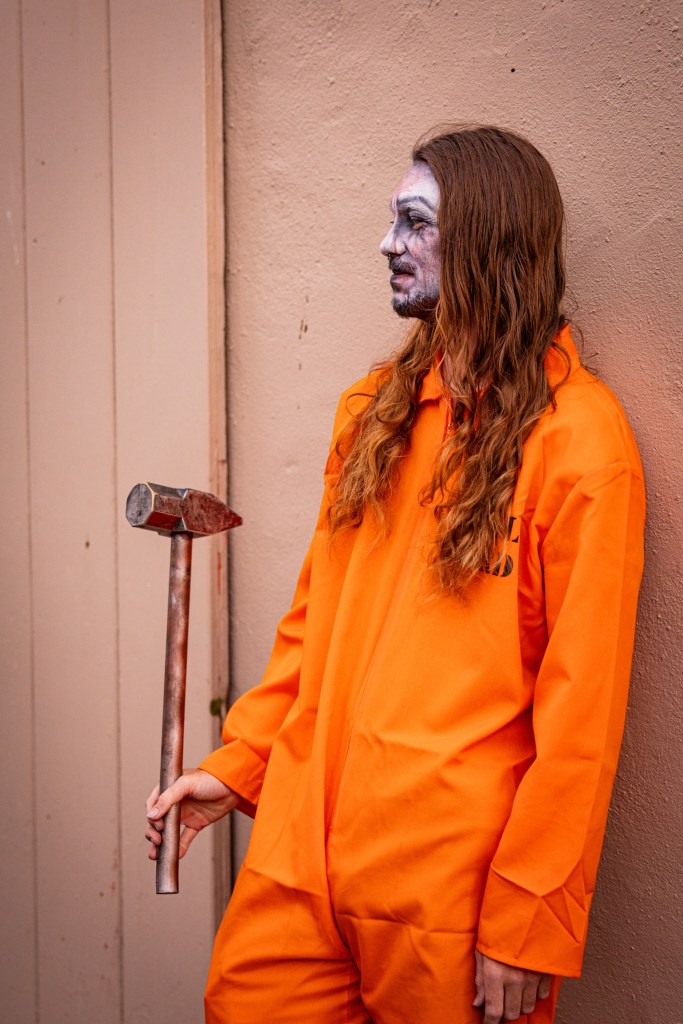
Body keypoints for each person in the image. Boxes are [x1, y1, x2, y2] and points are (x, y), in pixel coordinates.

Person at [145, 125, 645, 1024]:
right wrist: (241, 765)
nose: (387, 243)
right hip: (301, 854)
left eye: (414, 223)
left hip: (446, 891)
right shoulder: (372, 414)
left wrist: (526, 918)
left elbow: (583, 714)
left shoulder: (579, 445)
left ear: (486, 239)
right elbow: (312, 623)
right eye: (393, 221)